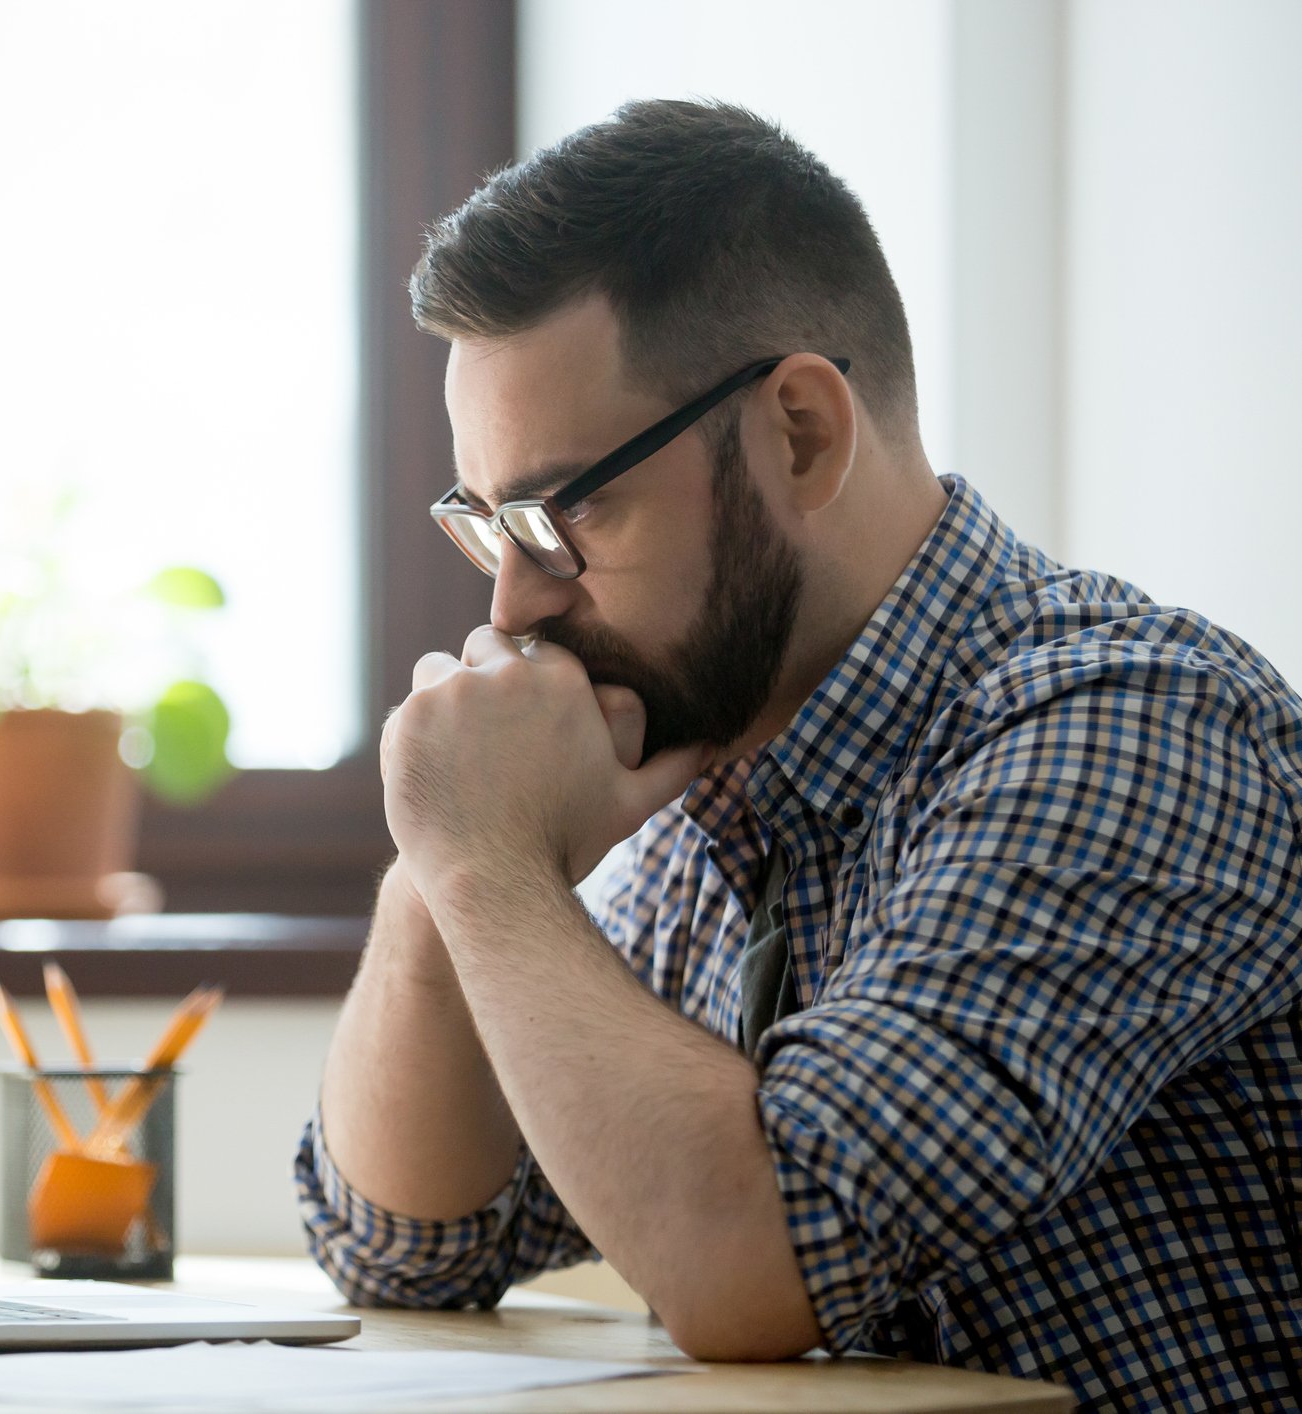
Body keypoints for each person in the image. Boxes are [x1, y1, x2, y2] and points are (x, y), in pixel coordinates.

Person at [294, 99, 1302, 1413]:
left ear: (800, 434)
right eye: (489, 527)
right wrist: (437, 865)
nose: (512, 607)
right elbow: (410, 1249)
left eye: (569, 507)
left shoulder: (1125, 724)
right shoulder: (706, 786)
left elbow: (763, 1259)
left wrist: (489, 865)